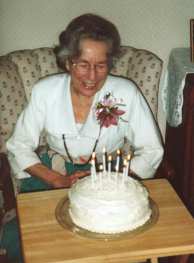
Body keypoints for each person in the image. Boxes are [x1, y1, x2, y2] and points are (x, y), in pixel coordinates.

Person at [6, 13, 164, 193]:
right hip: (54, 173)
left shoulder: (126, 93)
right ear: (68, 62)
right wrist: (56, 179)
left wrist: (110, 178)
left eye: (101, 65)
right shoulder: (45, 91)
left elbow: (152, 150)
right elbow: (18, 145)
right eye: (83, 64)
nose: (92, 76)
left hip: (112, 174)